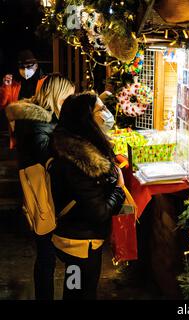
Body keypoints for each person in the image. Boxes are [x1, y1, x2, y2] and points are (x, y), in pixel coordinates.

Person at [5, 74, 75, 300]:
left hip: (37, 192)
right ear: (57, 95)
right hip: (44, 195)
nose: (68, 103)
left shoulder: (36, 119)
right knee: (50, 255)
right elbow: (49, 161)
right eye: (67, 98)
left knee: (46, 254)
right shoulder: (41, 125)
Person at [50, 92, 125, 300]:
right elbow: (99, 212)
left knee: (75, 289)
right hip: (80, 242)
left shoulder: (70, 145)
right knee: (80, 292)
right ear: (86, 119)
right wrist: (119, 187)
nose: (106, 113)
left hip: (76, 236)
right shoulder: (80, 162)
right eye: (101, 109)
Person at [0, 50, 46, 148]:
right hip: (19, 132)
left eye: (29, 66)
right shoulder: (14, 83)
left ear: (36, 65)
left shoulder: (44, 82)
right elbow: (2, 104)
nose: (25, 70)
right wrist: (6, 87)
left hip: (39, 130)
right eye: (22, 67)